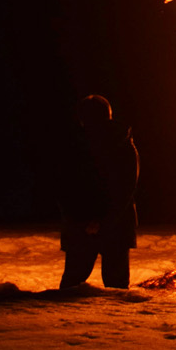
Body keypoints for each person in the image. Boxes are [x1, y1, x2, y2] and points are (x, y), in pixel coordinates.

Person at [58, 95, 139, 288]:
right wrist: (102, 220)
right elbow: (126, 188)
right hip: (111, 223)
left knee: (72, 285)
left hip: (90, 223)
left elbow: (63, 187)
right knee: (115, 286)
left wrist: (87, 220)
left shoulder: (73, 145)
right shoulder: (123, 144)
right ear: (109, 115)